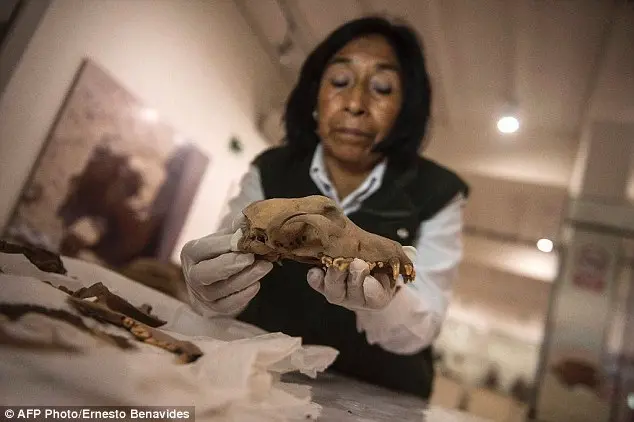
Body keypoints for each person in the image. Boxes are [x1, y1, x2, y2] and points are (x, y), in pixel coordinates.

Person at [180, 16, 469, 400]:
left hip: (374, 399)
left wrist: (384, 303)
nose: (354, 104)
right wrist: (209, 289)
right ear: (314, 94)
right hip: (259, 384)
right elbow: (227, 252)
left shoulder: (439, 192)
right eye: (339, 82)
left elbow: (423, 326)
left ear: (406, 108)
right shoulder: (271, 168)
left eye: (382, 87)